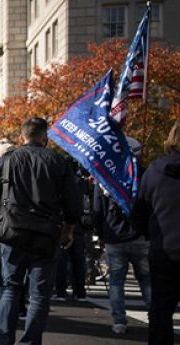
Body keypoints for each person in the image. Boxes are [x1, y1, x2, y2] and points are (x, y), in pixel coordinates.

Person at [0, 117, 82, 345]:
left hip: (12, 232)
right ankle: (30, 341)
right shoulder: (59, 162)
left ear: (22, 137)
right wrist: (69, 229)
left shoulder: (7, 160)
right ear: (44, 137)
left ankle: (5, 339)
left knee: (11, 288)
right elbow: (73, 202)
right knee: (39, 294)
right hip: (47, 233)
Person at [92, 137, 150, 335]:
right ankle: (155, 317)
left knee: (116, 281)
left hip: (114, 236)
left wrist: (99, 233)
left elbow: (97, 209)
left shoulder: (105, 175)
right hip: (141, 235)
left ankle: (119, 321)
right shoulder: (144, 174)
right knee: (146, 280)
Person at [132, 120, 180, 344]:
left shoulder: (154, 171)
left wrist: (150, 234)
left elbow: (139, 213)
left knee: (161, 310)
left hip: (163, 250)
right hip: (164, 248)